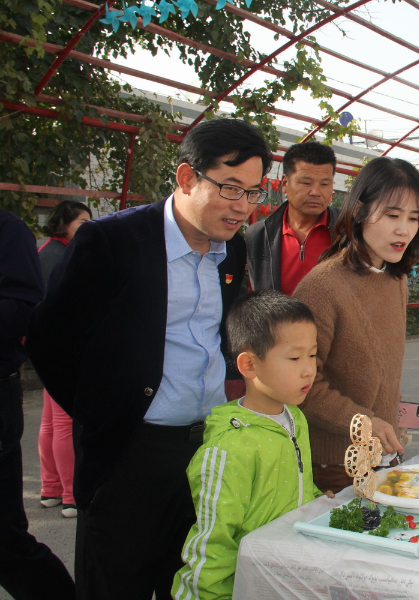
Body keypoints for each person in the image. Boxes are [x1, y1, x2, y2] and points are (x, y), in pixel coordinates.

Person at [27, 118, 270, 600]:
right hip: (128, 451)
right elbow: (50, 340)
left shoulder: (232, 249)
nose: (242, 207)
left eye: (253, 192)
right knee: (119, 579)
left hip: (203, 446)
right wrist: (101, 411)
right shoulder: (111, 242)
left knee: (188, 577)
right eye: (229, 188)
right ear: (186, 178)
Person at [172, 290, 323, 600]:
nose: (308, 369)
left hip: (288, 578)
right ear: (249, 365)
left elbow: (301, 487)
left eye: (312, 354)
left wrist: (321, 504)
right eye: (294, 357)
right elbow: (212, 543)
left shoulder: (296, 419)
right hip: (246, 587)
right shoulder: (229, 448)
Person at [293, 157, 419, 493]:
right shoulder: (322, 286)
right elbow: (300, 384)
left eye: (414, 218)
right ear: (358, 211)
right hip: (335, 463)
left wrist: (393, 424)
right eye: (392, 215)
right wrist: (364, 422)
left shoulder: (394, 277)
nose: (404, 230)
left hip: (384, 454)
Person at [0, 209, 75, 599]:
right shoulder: (50, 249)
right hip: (48, 367)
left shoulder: (10, 232)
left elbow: (23, 308)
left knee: (5, 539)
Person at [36, 200, 92, 519]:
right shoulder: (68, 255)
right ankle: (71, 495)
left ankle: (51, 488)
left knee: (49, 421)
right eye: (82, 222)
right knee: (64, 423)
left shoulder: (44, 251)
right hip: (66, 347)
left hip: (42, 345)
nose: (87, 227)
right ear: (65, 223)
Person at [246, 141, 338, 295]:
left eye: (324, 184)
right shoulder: (259, 235)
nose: (315, 192)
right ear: (284, 183)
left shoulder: (348, 230)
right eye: (306, 182)